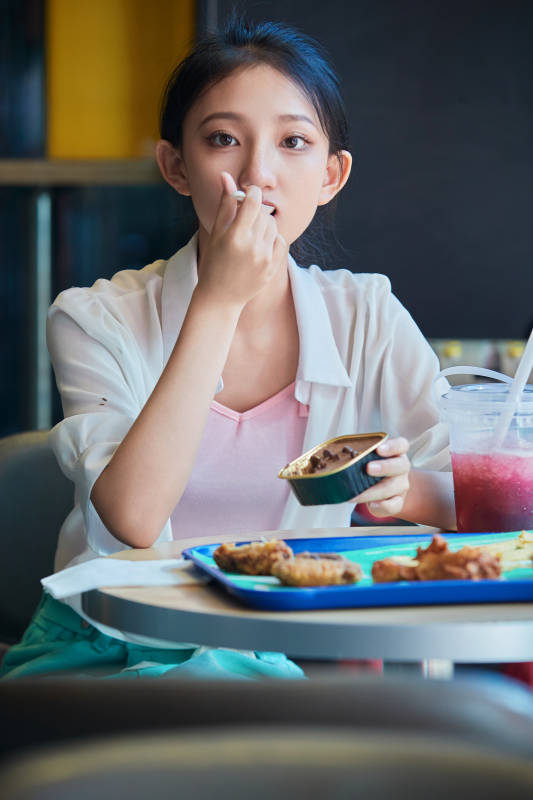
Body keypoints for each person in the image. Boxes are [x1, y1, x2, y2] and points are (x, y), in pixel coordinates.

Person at [1, 17, 455, 680]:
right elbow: (133, 516)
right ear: (176, 166)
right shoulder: (94, 317)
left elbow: (481, 501)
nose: (257, 173)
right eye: (222, 140)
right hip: (120, 644)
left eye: (293, 142)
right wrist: (218, 299)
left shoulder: (368, 314)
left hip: (302, 650)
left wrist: (405, 492)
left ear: (331, 175)